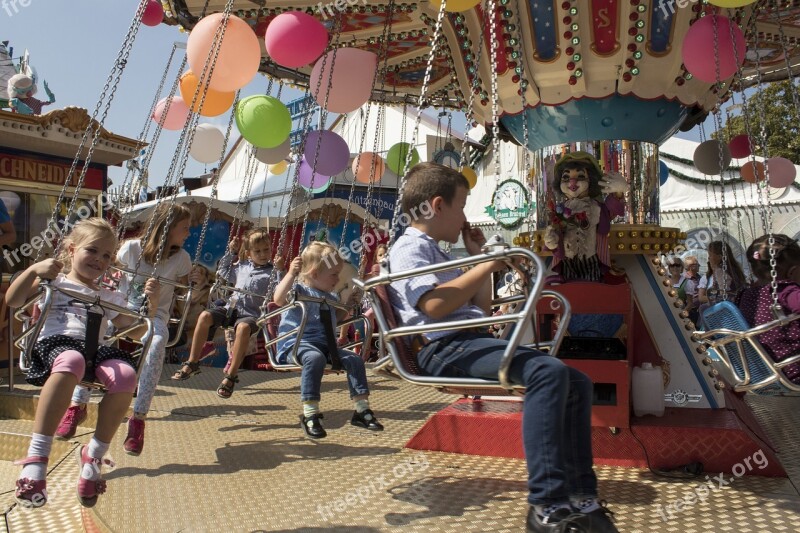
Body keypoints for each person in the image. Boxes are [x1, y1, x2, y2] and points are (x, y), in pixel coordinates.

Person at [387, 162, 617, 533]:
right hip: (441, 348)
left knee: (578, 383)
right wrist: (485, 262)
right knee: (547, 372)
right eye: (461, 206)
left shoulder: (438, 251)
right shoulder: (409, 247)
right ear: (437, 206)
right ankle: (546, 503)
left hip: (465, 340)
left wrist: (476, 255)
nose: (464, 215)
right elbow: (432, 305)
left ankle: (582, 497)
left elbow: (475, 309)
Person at [7, 218, 159, 508]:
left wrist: (149, 307)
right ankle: (37, 457)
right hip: (56, 345)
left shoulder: (109, 295)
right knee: (72, 359)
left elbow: (137, 331)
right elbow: (14, 301)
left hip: (95, 351)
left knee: (127, 375)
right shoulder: (55, 282)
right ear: (71, 249)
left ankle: (94, 455)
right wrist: (32, 271)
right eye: (92, 251)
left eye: (106, 256)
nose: (100, 260)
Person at [55, 204, 196, 457]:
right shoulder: (132, 248)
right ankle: (78, 404)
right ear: (168, 227)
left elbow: (185, 291)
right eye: (184, 228)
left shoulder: (182, 258)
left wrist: (188, 289)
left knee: (156, 341)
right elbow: (110, 274)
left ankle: (138, 417)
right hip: (123, 309)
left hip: (157, 315)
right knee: (97, 330)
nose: (188, 233)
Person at [274, 241, 383, 439]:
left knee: (355, 360)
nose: (337, 279)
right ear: (315, 274)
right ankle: (310, 413)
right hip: (297, 345)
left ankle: (361, 409)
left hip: (326, 347)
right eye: (334, 274)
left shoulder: (332, 297)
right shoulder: (299, 291)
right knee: (315, 358)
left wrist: (349, 305)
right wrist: (290, 273)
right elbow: (279, 299)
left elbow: (336, 319)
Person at [171, 228, 277, 398]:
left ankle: (231, 376)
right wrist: (231, 252)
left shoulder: (272, 272)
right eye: (257, 251)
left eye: (267, 250)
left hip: (250, 314)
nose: (263, 254)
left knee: (242, 328)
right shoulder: (241, 267)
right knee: (205, 316)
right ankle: (192, 362)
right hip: (230, 309)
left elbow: (279, 292)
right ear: (249, 253)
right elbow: (223, 271)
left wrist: (280, 271)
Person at [542, 151, 626, 282]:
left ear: (591, 180)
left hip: (591, 261)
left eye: (580, 176)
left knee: (592, 290)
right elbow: (555, 232)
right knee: (569, 292)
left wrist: (619, 192)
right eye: (566, 178)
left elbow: (613, 210)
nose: (572, 182)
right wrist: (551, 242)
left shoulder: (596, 207)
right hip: (567, 262)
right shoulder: (559, 209)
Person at [736, 234, 800, 384]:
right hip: (793, 370)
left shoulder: (745, 295)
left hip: (763, 372)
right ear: (792, 272)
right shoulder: (787, 291)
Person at [697, 240, 747, 324]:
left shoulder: (720, 271)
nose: (708, 258)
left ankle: (711, 332)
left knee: (703, 308)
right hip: (738, 300)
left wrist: (713, 297)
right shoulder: (734, 269)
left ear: (719, 256)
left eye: (710, 255)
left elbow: (723, 291)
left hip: (729, 302)